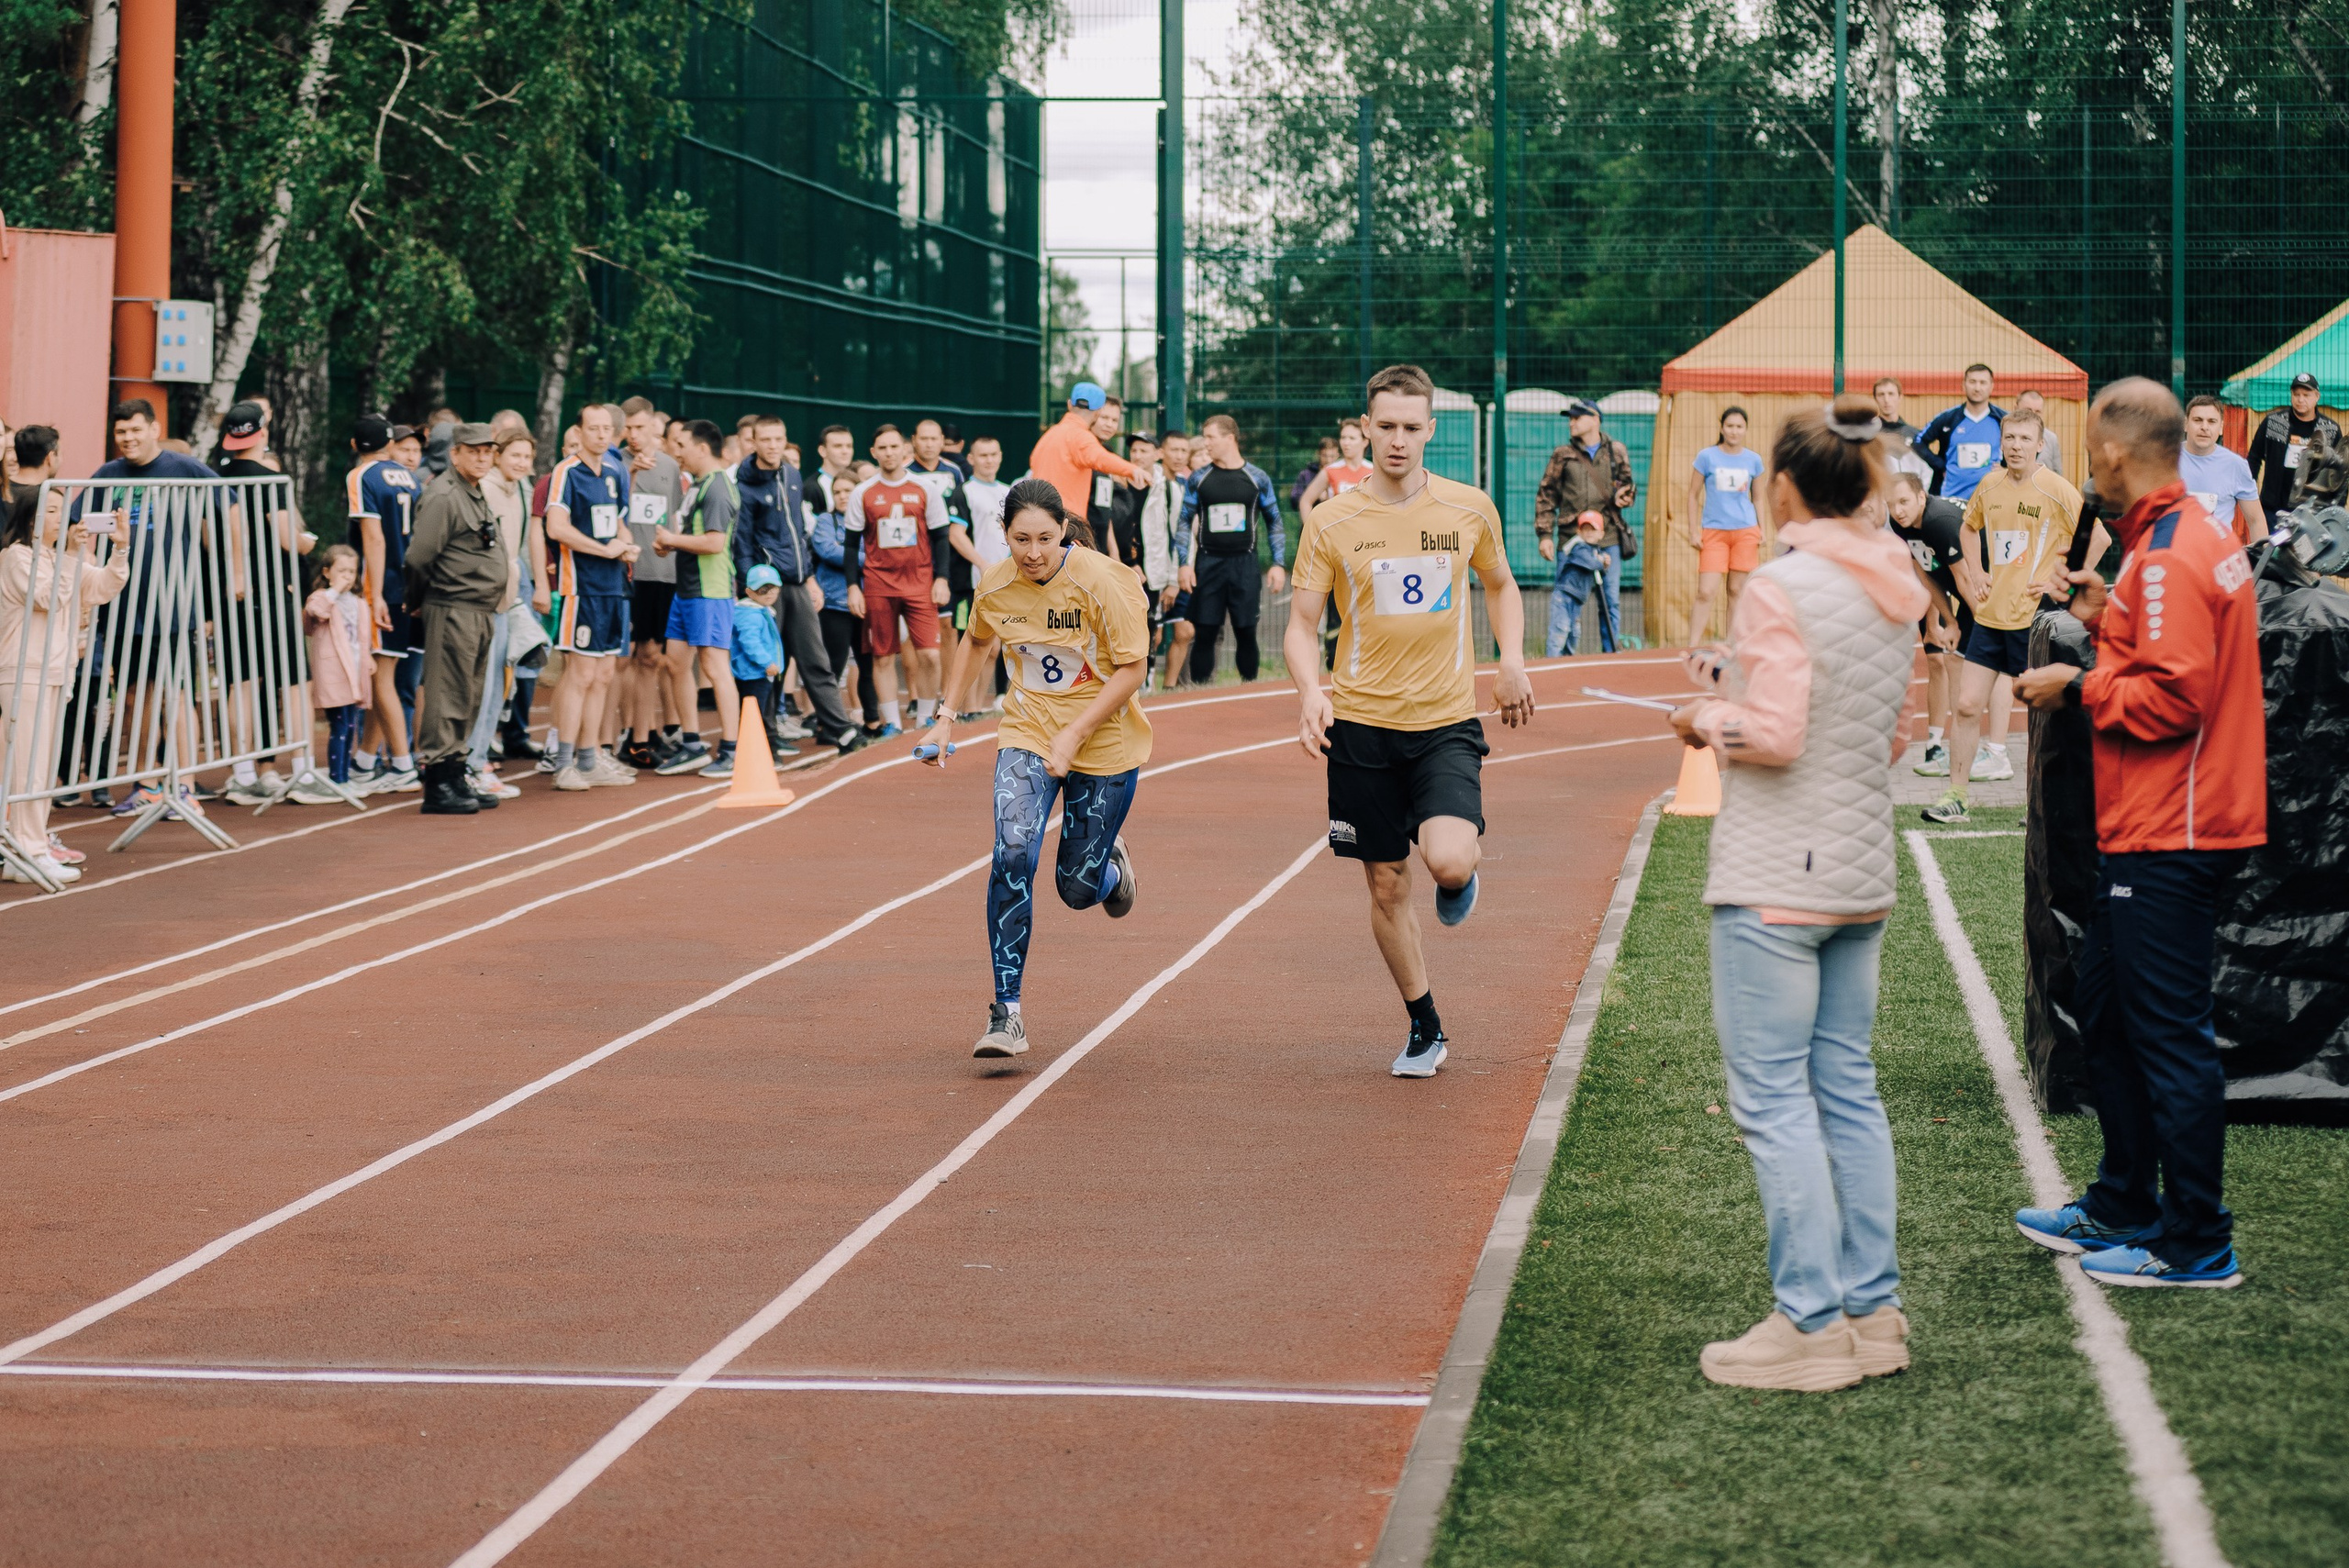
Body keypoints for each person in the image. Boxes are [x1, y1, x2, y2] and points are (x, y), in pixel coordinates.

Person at [1667, 393, 1926, 1393]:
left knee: (1775, 1099)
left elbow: (1772, 733)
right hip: (1860, 866)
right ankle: (1873, 1313)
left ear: (1781, 487)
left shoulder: (1782, 585)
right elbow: (1891, 729)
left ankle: (1810, 1323)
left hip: (1779, 870)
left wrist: (1703, 716)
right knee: (1847, 1089)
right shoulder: (1894, 577)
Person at [2010, 377, 2266, 1289]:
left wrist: (2072, 683)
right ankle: (2124, 1200)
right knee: (2108, 1011)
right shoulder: (2182, 539)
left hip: (2173, 826)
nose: (2085, 466)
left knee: (2165, 1033)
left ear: (2116, 453)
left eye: (2087, 450)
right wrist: (2102, 616)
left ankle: (2197, 1241)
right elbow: (2169, 652)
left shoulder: (2163, 555)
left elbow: (2172, 698)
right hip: (2160, 821)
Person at [1283, 362, 1535, 1079]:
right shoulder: (1332, 520)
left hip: (1444, 721)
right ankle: (1424, 1024)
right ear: (1366, 429)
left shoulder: (1468, 509)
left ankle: (1459, 880)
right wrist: (1310, 689)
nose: (1397, 440)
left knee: (1448, 858)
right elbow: (1303, 626)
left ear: (1432, 429)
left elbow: (1501, 582)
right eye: (1384, 426)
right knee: (1387, 883)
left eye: (1410, 427)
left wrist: (1511, 659)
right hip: (1359, 726)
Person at [921, 478, 1151, 1059]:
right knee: (1012, 854)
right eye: (1020, 539)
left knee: (1075, 889)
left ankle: (1109, 870)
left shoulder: (1102, 583)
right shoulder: (996, 583)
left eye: (1045, 539)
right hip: (1026, 732)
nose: (1032, 552)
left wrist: (1076, 731)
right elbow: (976, 642)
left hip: (1103, 742)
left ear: (1063, 534)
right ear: (1004, 535)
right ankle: (1007, 1014)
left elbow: (1131, 669)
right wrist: (946, 716)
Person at [1921, 406, 2100, 824]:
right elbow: (1969, 528)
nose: (2016, 446)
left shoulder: (2056, 489)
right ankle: (1956, 799)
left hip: (2035, 620)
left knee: (2042, 718)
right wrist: (1977, 570)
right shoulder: (1988, 484)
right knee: (1966, 705)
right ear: (2000, 444)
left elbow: (2099, 537)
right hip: (1989, 616)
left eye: (2024, 439)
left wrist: (2067, 582)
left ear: (2040, 445)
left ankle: (2040, 804)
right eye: (2010, 439)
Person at [0, 487, 131, 884]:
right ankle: (27, 849)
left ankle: (34, 846)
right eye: (52, 510)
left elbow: (104, 586)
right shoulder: (16, 557)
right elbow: (48, 596)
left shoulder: (58, 558)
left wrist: (120, 548)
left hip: (56, 671)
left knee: (42, 770)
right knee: (28, 768)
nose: (63, 517)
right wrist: (73, 556)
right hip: (22, 672)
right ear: (30, 518)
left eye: (63, 509)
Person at [735, 414, 862, 755]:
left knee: (815, 658)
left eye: (779, 439)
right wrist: (754, 586)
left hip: (798, 582)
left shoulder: (791, 476)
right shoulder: (744, 484)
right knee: (767, 663)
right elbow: (742, 542)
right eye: (766, 440)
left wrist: (809, 578)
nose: (773, 446)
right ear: (754, 442)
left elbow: (797, 534)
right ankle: (764, 735)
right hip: (765, 587)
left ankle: (841, 730)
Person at [404, 423, 509, 816]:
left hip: (479, 608)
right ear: (456, 453)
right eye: (475, 451)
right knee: (448, 693)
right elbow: (418, 557)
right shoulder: (445, 495)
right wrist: (417, 600)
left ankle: (456, 770)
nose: (483, 457)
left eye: (488, 451)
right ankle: (439, 782)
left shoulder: (474, 491)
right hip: (453, 605)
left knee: (469, 694)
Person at [212, 399, 313, 806]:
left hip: (229, 592)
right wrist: (309, 542)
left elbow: (209, 535)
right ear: (263, 434)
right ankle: (302, 769)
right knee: (291, 680)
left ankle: (244, 771)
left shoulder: (212, 477)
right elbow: (291, 539)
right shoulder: (269, 481)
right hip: (270, 591)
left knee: (241, 681)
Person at [543, 403, 640, 786]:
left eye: (606, 429)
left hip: (613, 586)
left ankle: (589, 758)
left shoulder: (616, 470)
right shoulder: (566, 472)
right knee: (580, 673)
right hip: (581, 586)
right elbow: (556, 527)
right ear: (579, 432)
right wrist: (603, 550)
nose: (601, 435)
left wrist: (627, 544)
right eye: (593, 429)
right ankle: (563, 762)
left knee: (603, 673)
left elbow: (619, 523)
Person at [842, 426, 952, 735]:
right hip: (878, 584)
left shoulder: (925, 488)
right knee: (883, 655)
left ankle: (926, 717)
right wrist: (853, 587)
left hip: (920, 582)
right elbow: (851, 545)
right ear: (874, 452)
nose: (888, 453)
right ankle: (891, 723)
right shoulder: (862, 492)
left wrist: (941, 579)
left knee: (930, 654)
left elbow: (941, 537)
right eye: (882, 448)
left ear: (904, 450)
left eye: (894, 447)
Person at [652, 418, 742, 779]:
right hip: (687, 588)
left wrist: (672, 541)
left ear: (703, 448)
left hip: (711, 589)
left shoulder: (718, 487)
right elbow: (692, 535)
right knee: (675, 662)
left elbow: (714, 542)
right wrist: (669, 542)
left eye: (683, 446)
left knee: (714, 667)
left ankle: (733, 749)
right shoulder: (697, 486)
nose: (678, 453)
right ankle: (691, 744)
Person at [1174, 415, 1286, 683]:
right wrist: (1184, 563)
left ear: (1230, 439)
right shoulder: (1199, 478)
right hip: (1208, 563)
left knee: (1246, 630)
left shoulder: (1257, 478)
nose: (1206, 443)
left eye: (1211, 437)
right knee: (1205, 631)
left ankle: (1249, 690)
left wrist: (1278, 563)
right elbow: (1183, 521)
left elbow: (1275, 522)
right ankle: (1199, 695)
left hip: (1244, 564)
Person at [344, 413, 421, 793]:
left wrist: (372, 595)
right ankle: (364, 761)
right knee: (383, 675)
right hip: (408, 583)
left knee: (381, 679)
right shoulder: (408, 476)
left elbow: (373, 538)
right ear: (390, 444)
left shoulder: (361, 476)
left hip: (384, 585)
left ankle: (403, 764)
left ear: (355, 446)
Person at [1886, 473, 1979, 778]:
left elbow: (1965, 578)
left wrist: (1985, 623)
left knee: (1983, 665)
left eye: (1903, 502)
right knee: (1954, 661)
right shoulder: (1902, 526)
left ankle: (1983, 751)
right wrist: (1949, 621)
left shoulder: (1939, 520)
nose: (1897, 510)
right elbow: (1925, 575)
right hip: (1962, 590)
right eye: (1892, 504)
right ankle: (1948, 747)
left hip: (1988, 583)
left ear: (1921, 498)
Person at [462, 429, 536, 802]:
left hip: (507, 600)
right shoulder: (488, 490)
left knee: (499, 688)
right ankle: (472, 764)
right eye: (515, 456)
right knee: (486, 686)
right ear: (498, 456)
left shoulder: (516, 490)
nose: (522, 463)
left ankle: (478, 761)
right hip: (487, 602)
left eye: (527, 457)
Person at [1531, 398, 1637, 650]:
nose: (1572, 422)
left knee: (1610, 602)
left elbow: (1628, 485)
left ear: (1595, 419)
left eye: (1577, 417)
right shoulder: (1563, 454)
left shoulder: (1616, 450)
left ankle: (1610, 658)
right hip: (1572, 541)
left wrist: (1626, 496)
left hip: (1607, 537)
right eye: (1570, 418)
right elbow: (1546, 494)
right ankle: (1565, 661)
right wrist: (1545, 535)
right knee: (1566, 602)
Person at [618, 397, 686, 770]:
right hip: (625, 574)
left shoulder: (670, 466)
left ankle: (640, 740)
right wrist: (628, 475)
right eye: (627, 428)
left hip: (660, 574)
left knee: (650, 658)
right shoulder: (612, 464)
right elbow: (610, 512)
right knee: (615, 661)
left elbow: (671, 519)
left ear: (654, 429)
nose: (633, 435)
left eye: (640, 428)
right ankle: (598, 743)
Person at [1682, 406, 1767, 646]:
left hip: (1745, 531)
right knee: (1706, 591)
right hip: (1714, 532)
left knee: (1737, 591)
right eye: (1730, 426)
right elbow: (1692, 494)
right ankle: (1693, 646)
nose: (1734, 431)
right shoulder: (1706, 457)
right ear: (1721, 428)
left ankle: (1732, 646)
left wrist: (1762, 529)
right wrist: (1693, 530)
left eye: (1739, 427)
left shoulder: (1754, 460)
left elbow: (1758, 497)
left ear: (1746, 430)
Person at [300, 544, 372, 801]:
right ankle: (337, 779)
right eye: (341, 571)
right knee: (340, 725)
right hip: (333, 673)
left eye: (352, 571)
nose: (348, 576)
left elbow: (364, 637)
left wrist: (370, 658)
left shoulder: (359, 603)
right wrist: (334, 591)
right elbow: (314, 613)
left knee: (350, 725)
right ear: (327, 572)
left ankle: (343, 776)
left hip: (354, 673)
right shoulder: (321, 597)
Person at [1028, 383, 1144, 528]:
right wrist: (1133, 470)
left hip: (1039, 522)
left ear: (1070, 405)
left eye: (1114, 420)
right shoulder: (1081, 436)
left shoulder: (1048, 436)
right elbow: (1100, 458)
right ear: (1097, 412)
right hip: (1066, 524)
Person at [953, 435, 1013, 716]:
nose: (989, 460)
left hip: (1006, 583)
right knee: (975, 644)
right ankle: (967, 708)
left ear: (1000, 456)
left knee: (993, 649)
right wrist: (982, 563)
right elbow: (956, 535)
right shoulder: (964, 491)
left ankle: (976, 708)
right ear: (972, 459)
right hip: (973, 583)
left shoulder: (1008, 491)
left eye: (994, 454)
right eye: (983, 455)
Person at [2246, 371, 2337, 521]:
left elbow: (2339, 471)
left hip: (2313, 512)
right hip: (2273, 509)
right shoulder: (2273, 423)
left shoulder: (2329, 430)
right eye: (2296, 395)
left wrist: (2335, 507)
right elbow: (2254, 458)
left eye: (2306, 395)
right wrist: (2249, 493)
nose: (2300, 400)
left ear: (2317, 397)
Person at [2179, 396, 2265, 546]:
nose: (2204, 427)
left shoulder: (2236, 465)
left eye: (2212, 421)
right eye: (2198, 420)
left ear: (2221, 428)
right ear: (2186, 424)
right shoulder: (2165, 460)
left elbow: (2256, 520)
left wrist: (2263, 564)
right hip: (2176, 558)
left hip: (2217, 560)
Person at [1912, 363, 2004, 502]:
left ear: (1992, 386)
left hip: (1991, 499)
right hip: (1951, 498)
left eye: (1983, 382)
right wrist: (1941, 465)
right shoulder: (1948, 419)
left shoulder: (2003, 419)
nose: (1977, 388)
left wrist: (2007, 469)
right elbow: (1918, 442)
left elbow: (2028, 444)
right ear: (1964, 385)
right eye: (1972, 382)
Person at [1154, 431, 1197, 689]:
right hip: (1156, 572)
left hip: (1177, 571)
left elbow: (1185, 534)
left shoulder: (1184, 486)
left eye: (1184, 451)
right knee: (1153, 635)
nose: (1180, 456)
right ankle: (1140, 689)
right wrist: (1169, 578)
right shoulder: (1154, 484)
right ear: (1162, 453)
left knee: (1185, 631)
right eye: (1175, 450)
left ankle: (1169, 690)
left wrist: (1185, 568)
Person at [732, 565, 789, 752]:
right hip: (753, 674)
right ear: (749, 592)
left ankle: (757, 746)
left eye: (773, 588)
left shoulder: (761, 610)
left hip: (759, 672)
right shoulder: (749, 614)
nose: (769, 593)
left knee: (759, 711)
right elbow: (750, 643)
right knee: (755, 713)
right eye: (762, 589)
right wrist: (767, 662)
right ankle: (753, 749)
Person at [1296, 421, 1374, 523]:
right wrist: (1312, 533)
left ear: (1365, 442)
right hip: (1337, 534)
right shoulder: (1331, 470)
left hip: (1366, 535)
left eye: (1352, 438)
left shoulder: (1373, 471)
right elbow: (1305, 501)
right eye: (1343, 437)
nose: (1346, 442)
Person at [1873, 377, 1933, 488]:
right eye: (1881, 395)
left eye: (1891, 394)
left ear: (1900, 397)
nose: (1886, 400)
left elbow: (1927, 470)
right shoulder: (1870, 436)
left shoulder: (1916, 435)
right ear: (1875, 399)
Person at [2013, 389, 2064, 475]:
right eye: (2028, 410)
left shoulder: (2051, 438)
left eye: (2038, 411)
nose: (2033, 415)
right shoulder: (2003, 435)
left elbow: (2057, 473)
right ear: (2015, 408)